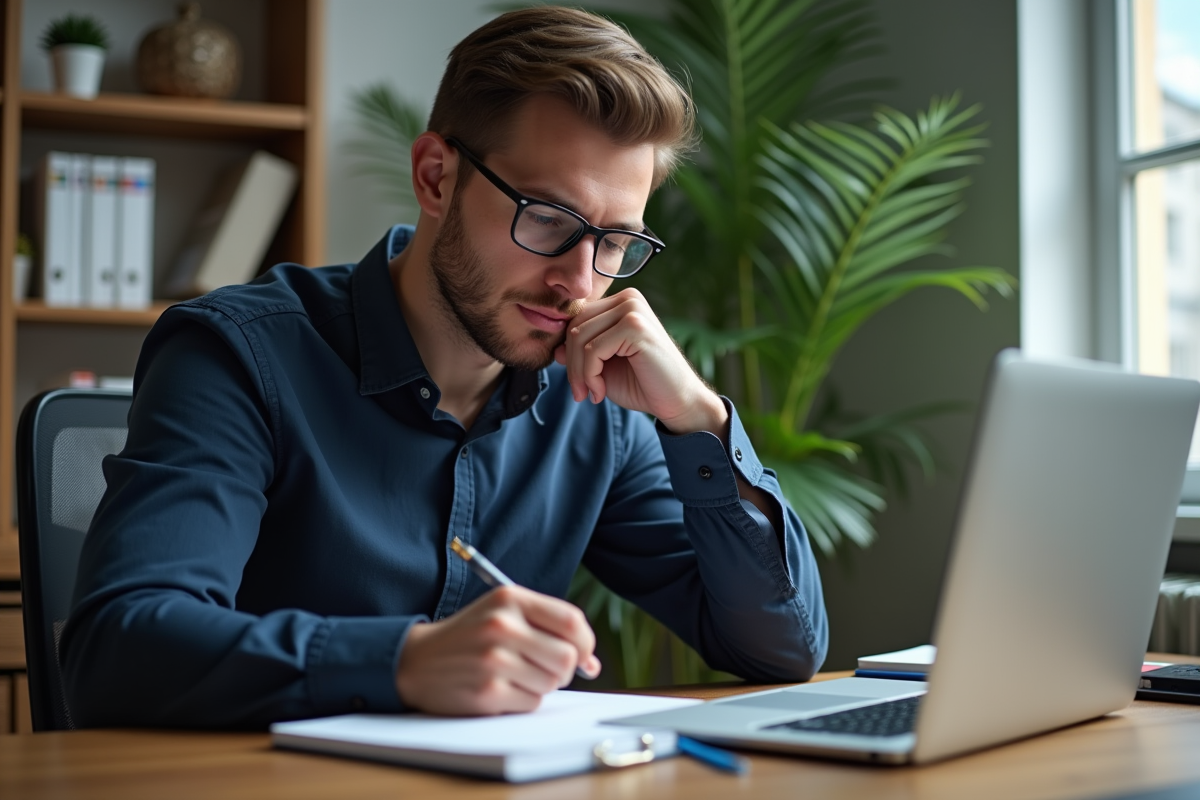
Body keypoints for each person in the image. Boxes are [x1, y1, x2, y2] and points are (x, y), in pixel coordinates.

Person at [62, 6, 828, 728]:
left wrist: (698, 418)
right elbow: (119, 647)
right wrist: (403, 661)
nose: (580, 281)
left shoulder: (595, 404)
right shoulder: (239, 355)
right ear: (435, 177)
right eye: (548, 219)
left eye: (616, 241)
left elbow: (783, 647)